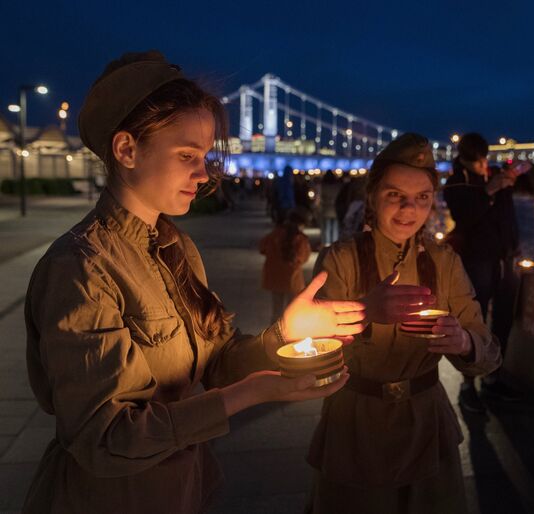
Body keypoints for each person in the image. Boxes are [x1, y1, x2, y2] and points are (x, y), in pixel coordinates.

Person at [23, 51, 366, 514]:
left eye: (203, 156)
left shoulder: (176, 248)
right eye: (187, 155)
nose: (204, 174)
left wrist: (287, 335)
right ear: (126, 150)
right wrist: (251, 395)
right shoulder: (80, 268)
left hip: (183, 489)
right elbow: (104, 440)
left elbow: (219, 361)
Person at [306, 133, 502, 514]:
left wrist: (464, 343)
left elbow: (489, 351)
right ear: (373, 194)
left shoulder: (445, 263)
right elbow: (310, 357)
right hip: (355, 427)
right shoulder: (340, 261)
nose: (408, 210)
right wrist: (364, 313)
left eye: (422, 198)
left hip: (427, 426)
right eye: (396, 195)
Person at [443, 132, 534, 413]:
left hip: (507, 258)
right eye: (475, 162)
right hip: (476, 259)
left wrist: (526, 169)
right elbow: (464, 219)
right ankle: (467, 385)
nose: (482, 166)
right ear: (464, 159)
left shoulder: (497, 172)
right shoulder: (455, 184)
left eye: (484, 160)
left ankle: (493, 377)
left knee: (503, 319)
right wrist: (487, 191)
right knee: (473, 320)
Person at [259, 207, 312, 322]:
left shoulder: (275, 234)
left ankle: (274, 335)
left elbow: (262, 247)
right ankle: (288, 335)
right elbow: (304, 257)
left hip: (274, 278)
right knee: (291, 310)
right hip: (292, 281)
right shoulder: (301, 239)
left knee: (276, 310)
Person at [318, 169, 341, 246]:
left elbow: (320, 198)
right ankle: (334, 244)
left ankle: (327, 244)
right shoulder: (337, 186)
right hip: (335, 210)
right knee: (335, 228)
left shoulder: (323, 186)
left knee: (327, 228)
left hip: (326, 209)